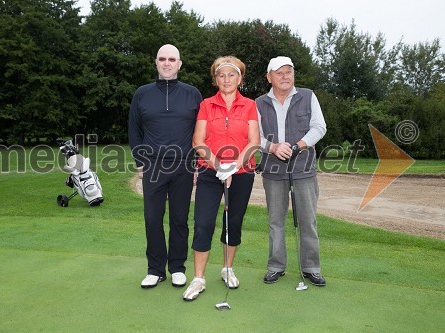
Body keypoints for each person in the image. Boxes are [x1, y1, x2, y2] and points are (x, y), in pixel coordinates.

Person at [182, 56, 260, 301]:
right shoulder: (206, 104)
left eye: (231, 75)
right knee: (203, 223)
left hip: (242, 173)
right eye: (221, 75)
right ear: (215, 79)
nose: (226, 79)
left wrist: (235, 166)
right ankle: (198, 279)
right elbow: (198, 140)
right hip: (209, 171)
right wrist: (218, 165)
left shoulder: (249, 105)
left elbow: (254, 142)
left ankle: (227, 268)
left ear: (240, 78)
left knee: (232, 223)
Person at [128, 44, 202, 289]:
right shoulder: (142, 93)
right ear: (156, 62)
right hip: (153, 166)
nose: (167, 63)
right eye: (162, 59)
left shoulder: (192, 94)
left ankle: (178, 268)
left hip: (183, 166)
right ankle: (155, 269)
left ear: (180, 63)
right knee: (152, 218)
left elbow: (201, 132)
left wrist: (196, 165)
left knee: (179, 219)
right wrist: (140, 162)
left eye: (172, 59)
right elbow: (134, 130)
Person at [255, 56, 327, 286]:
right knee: (276, 221)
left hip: (303, 169)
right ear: (269, 77)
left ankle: (311, 268)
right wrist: (273, 147)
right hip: (273, 170)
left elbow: (319, 127)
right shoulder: (258, 103)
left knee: (308, 220)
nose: (285, 76)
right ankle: (276, 266)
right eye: (279, 72)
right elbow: (255, 136)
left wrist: (299, 145)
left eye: (289, 71)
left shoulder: (307, 96)